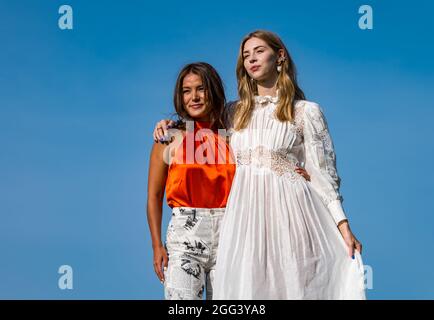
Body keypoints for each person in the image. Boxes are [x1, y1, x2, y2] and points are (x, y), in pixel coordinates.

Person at [153, 30, 366, 300]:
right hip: (244, 217)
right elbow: (200, 125)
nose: (251, 59)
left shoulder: (306, 111)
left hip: (291, 213)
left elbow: (325, 177)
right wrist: (170, 124)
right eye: (245, 55)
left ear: (280, 56)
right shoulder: (233, 113)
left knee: (293, 284)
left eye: (259, 51)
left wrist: (343, 226)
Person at [147, 61, 312, 300]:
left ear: (213, 91)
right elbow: (154, 196)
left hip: (232, 232)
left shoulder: (235, 136)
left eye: (201, 89)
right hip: (185, 235)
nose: (194, 97)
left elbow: (265, 158)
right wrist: (156, 245)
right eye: (187, 90)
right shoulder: (169, 138)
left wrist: (294, 172)